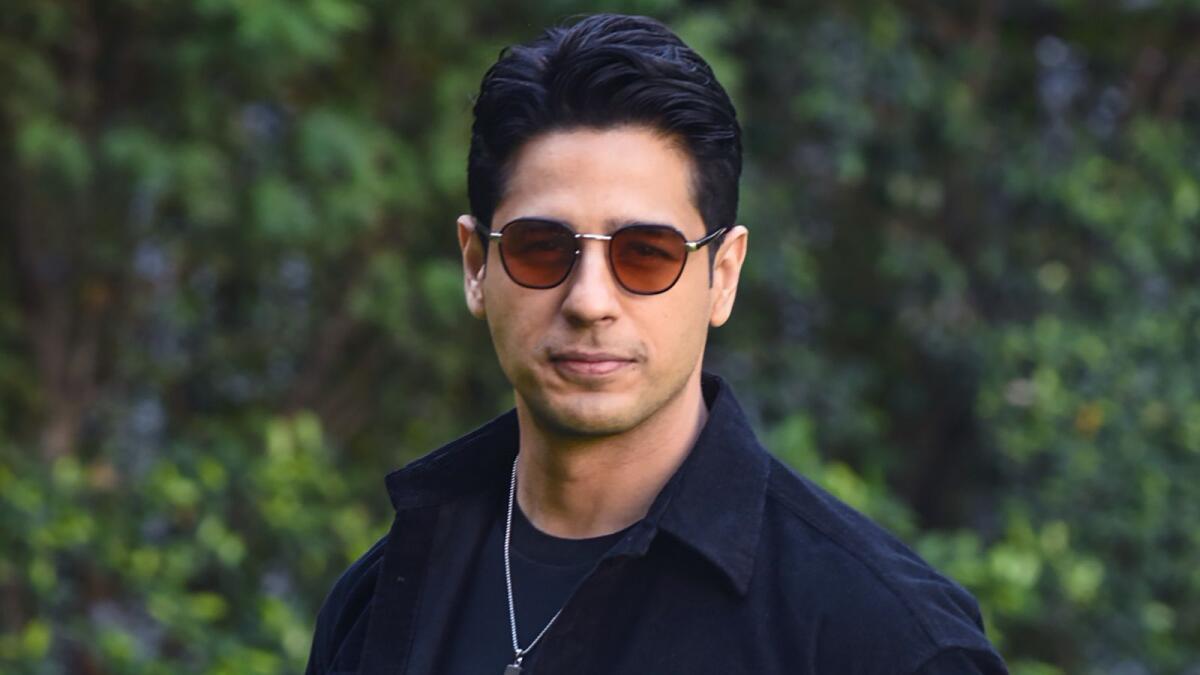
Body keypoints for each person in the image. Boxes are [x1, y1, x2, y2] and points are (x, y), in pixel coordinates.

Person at [305, 13, 1007, 675]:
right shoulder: (381, 599)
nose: (589, 301)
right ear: (475, 266)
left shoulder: (883, 637)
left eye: (645, 253)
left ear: (722, 276)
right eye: (541, 248)